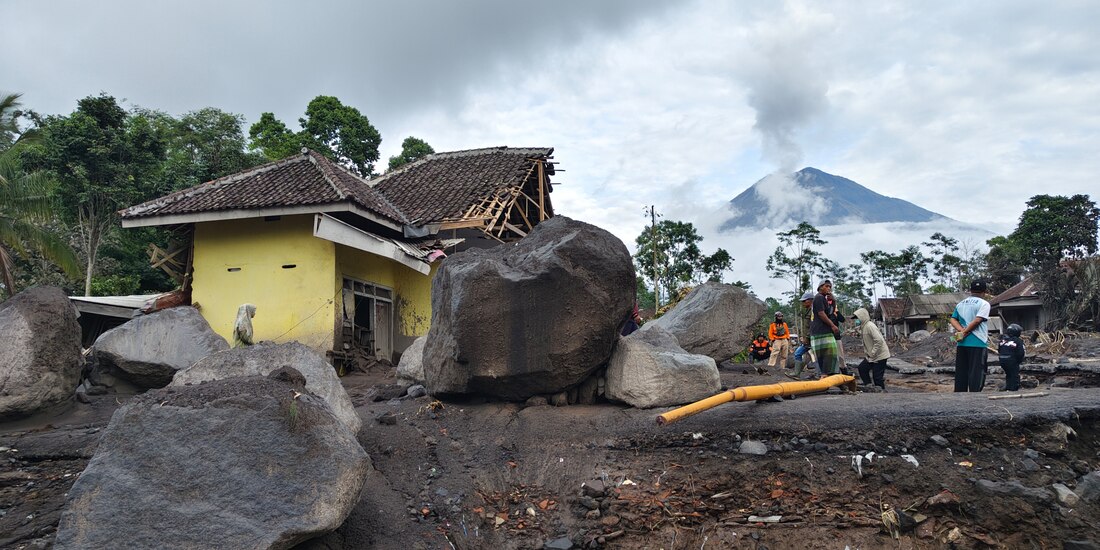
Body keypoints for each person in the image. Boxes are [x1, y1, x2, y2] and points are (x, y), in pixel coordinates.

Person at [949, 280, 992, 392]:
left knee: (961, 370)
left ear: (970, 291)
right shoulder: (984, 304)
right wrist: (965, 331)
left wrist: (961, 331)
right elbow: (978, 320)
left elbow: (953, 319)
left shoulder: (961, 304)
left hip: (962, 342)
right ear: (984, 292)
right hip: (978, 342)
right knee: (977, 370)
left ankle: (959, 393)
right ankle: (975, 394)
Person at [853, 307, 890, 391]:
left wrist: (872, 353)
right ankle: (869, 386)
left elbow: (879, 340)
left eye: (857, 318)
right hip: (872, 356)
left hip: (879, 355)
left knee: (877, 377)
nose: (856, 320)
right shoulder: (864, 326)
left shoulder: (870, 326)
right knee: (862, 368)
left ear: (862, 317)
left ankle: (882, 392)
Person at [810, 280, 842, 376]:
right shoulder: (819, 298)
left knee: (827, 356)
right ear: (820, 287)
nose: (829, 288)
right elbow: (821, 313)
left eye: (830, 287)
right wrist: (832, 325)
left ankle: (826, 375)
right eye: (827, 286)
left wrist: (834, 301)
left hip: (821, 331)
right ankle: (825, 375)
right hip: (821, 331)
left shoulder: (823, 299)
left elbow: (831, 312)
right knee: (828, 355)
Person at [998, 323, 1026, 391]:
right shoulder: (1018, 341)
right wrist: (1018, 361)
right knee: (1014, 374)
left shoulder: (1003, 340)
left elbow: (999, 350)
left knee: (1008, 374)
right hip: (1011, 360)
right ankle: (1013, 388)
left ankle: (1008, 386)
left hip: (1002, 360)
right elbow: (1021, 353)